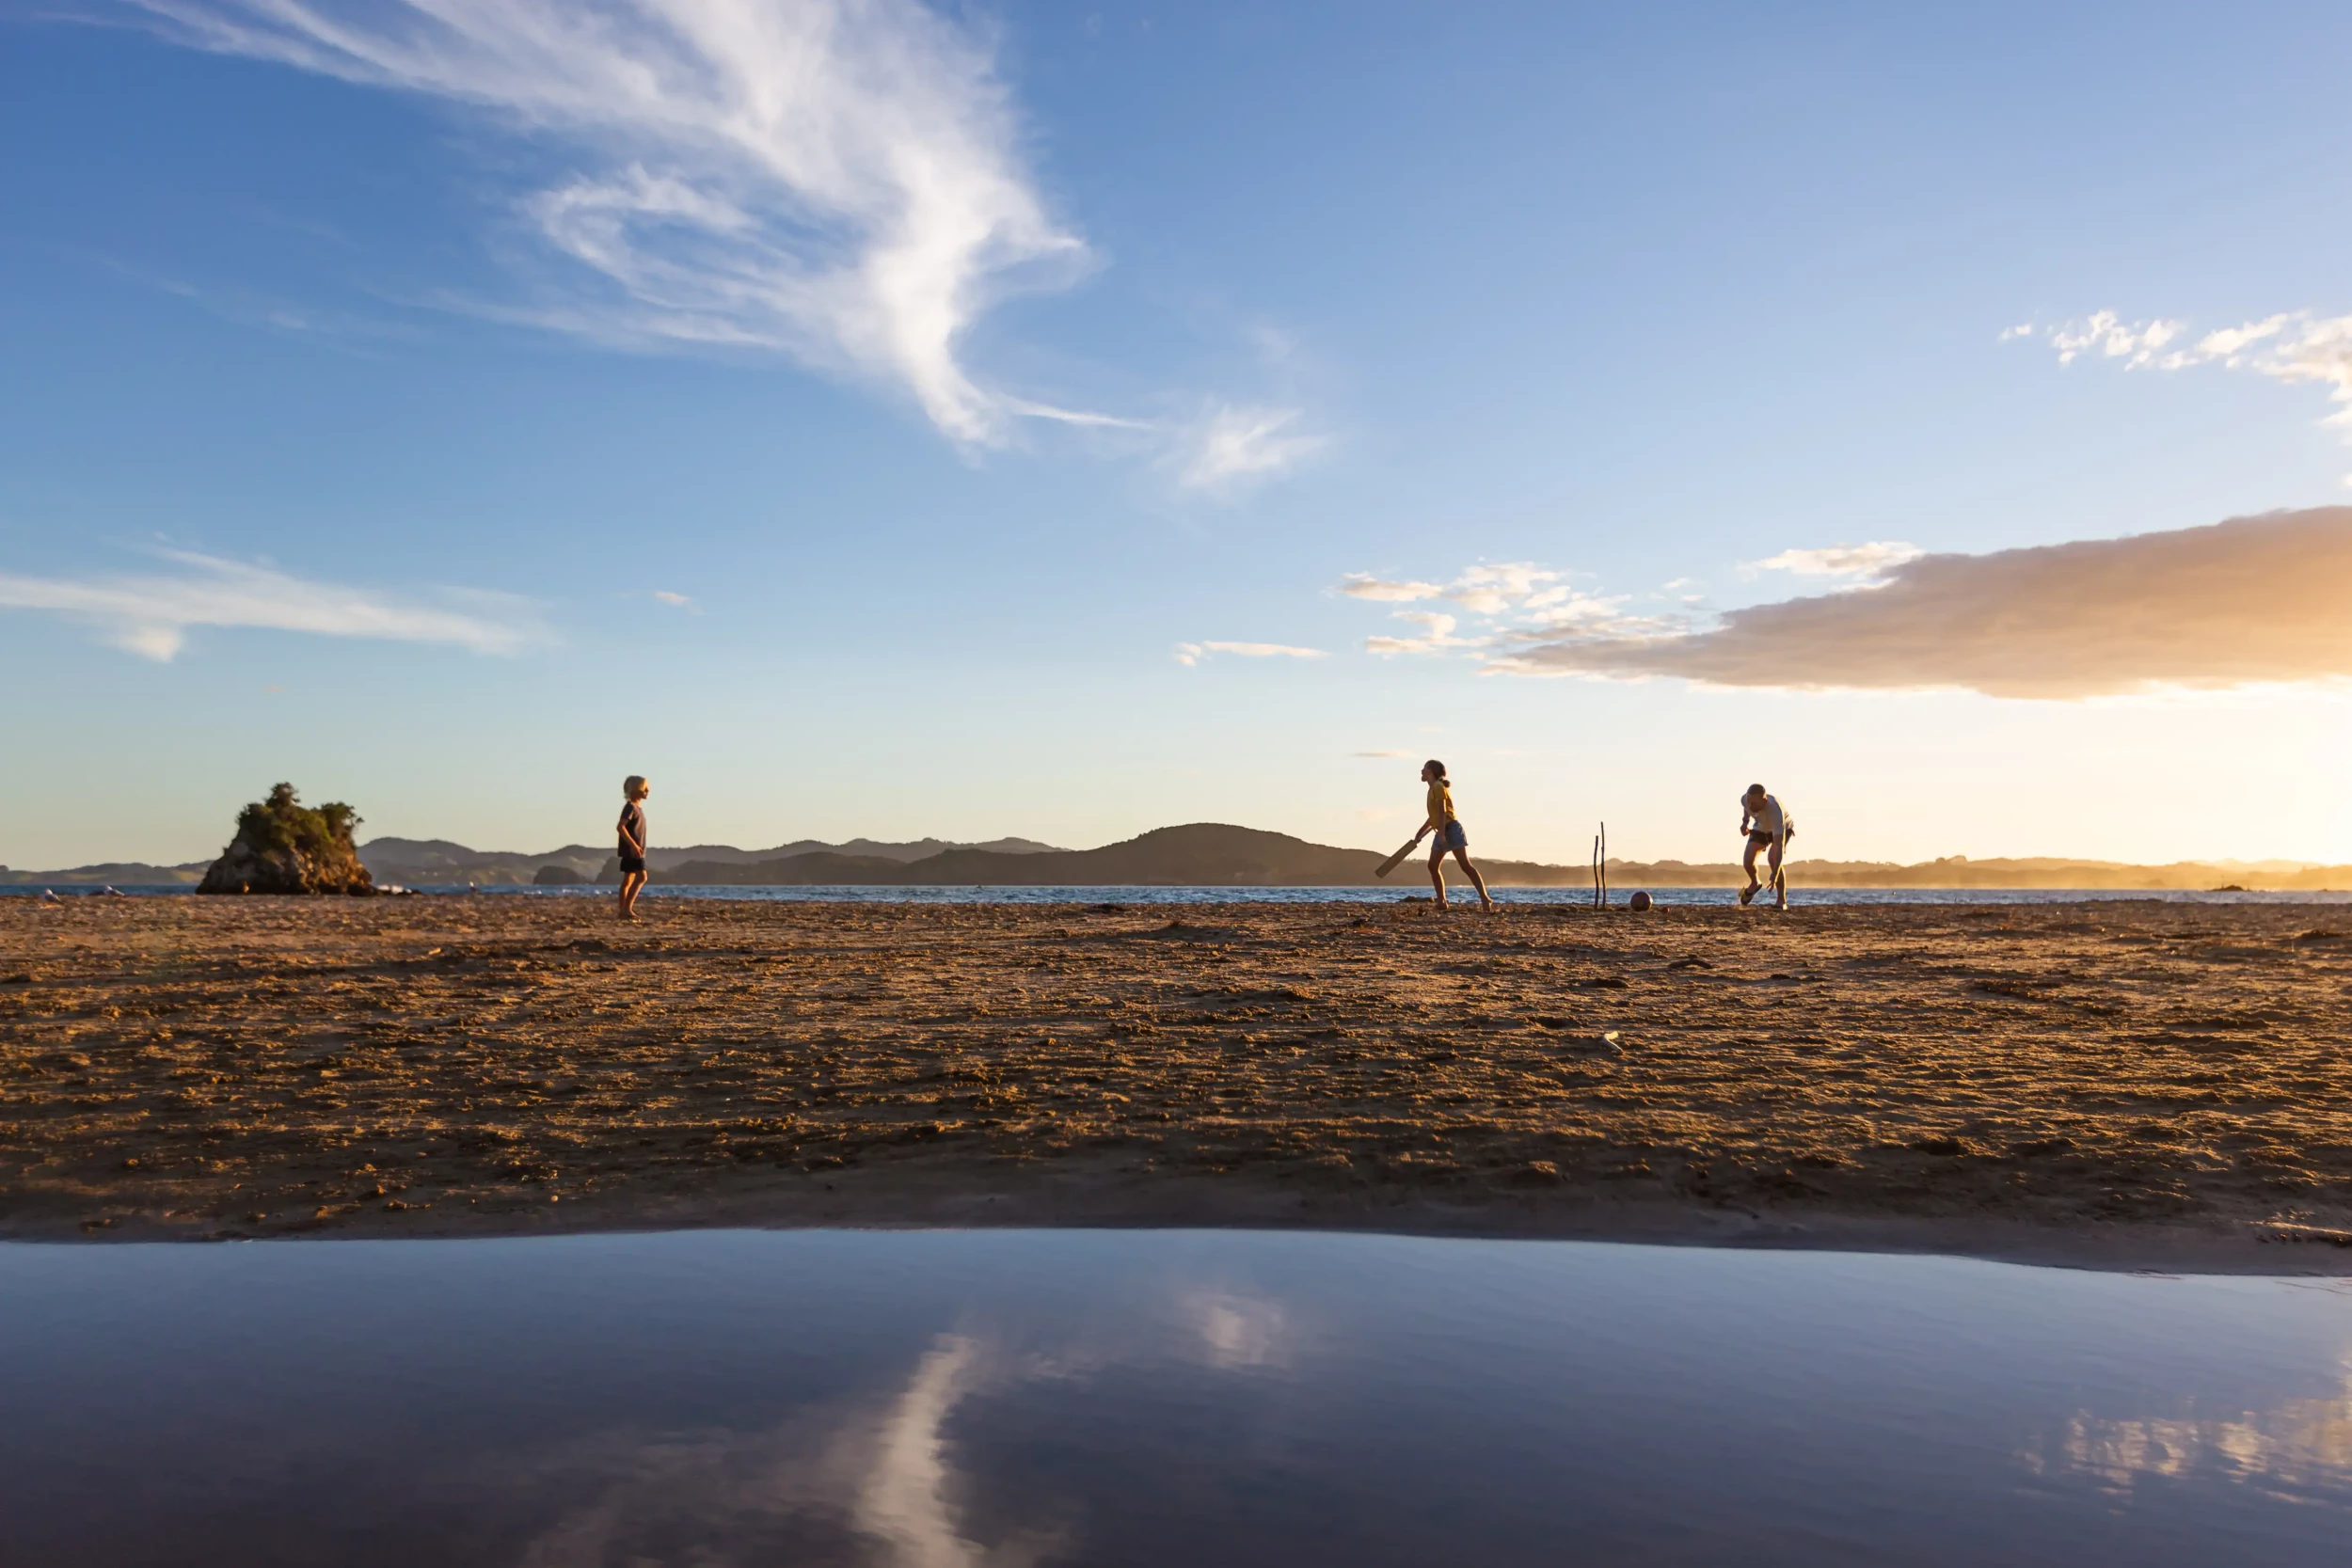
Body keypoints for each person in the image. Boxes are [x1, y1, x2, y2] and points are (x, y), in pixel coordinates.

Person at [1418, 759, 1497, 911]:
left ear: (1430, 771)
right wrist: (1420, 832)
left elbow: (1443, 812)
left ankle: (1485, 898)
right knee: (1432, 866)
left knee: (1465, 865)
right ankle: (1442, 901)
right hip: (1441, 829)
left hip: (1450, 828)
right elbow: (1434, 816)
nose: (1421, 771)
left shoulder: (1439, 787)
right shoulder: (1432, 789)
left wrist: (1441, 835)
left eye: (1424, 768)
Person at [1739, 783, 1793, 911]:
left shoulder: (1775, 812)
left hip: (1782, 827)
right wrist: (1744, 823)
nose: (1751, 806)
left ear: (1764, 800)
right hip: (1761, 827)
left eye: (1754, 804)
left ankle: (1781, 901)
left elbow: (1779, 846)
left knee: (1773, 859)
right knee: (1748, 860)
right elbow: (1746, 810)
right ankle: (1755, 882)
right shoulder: (1745, 801)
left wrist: (1775, 873)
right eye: (1749, 802)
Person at [616, 775, 651, 921]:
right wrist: (634, 845)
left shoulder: (638, 808)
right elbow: (621, 827)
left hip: (635, 850)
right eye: (644, 788)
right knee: (642, 877)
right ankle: (627, 909)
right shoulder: (630, 807)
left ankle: (623, 911)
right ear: (636, 790)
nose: (648, 791)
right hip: (633, 851)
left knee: (628, 880)